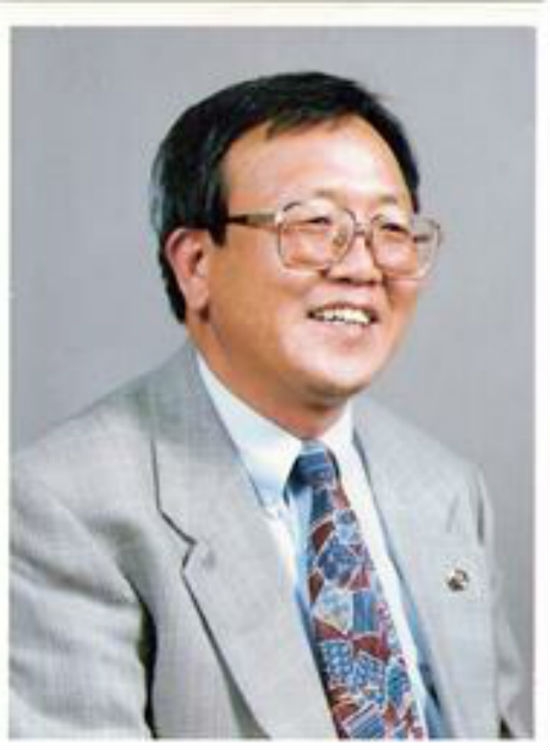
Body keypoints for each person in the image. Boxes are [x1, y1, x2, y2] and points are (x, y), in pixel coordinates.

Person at [10, 71, 526, 739]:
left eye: (391, 228)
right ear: (196, 264)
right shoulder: (61, 506)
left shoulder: (446, 488)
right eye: (314, 224)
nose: (363, 267)